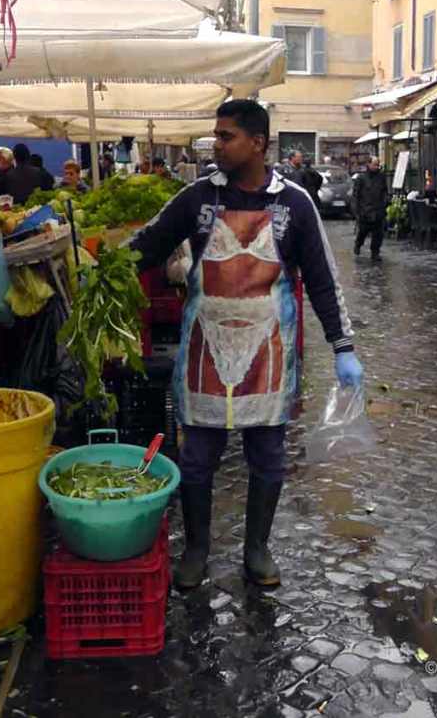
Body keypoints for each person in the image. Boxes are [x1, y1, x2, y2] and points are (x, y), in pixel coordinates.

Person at [130, 100, 363, 590]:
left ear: (257, 143)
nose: (217, 144)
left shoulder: (295, 203)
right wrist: (106, 268)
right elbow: (148, 245)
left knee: (269, 457)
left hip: (268, 353)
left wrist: (342, 345)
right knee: (196, 460)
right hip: (204, 352)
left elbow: (322, 279)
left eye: (226, 136)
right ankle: (196, 550)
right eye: (216, 135)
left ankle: (257, 549)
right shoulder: (195, 199)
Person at [353, 155, 389, 261]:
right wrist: (357, 211)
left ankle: (375, 252)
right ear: (368, 165)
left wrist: (384, 203)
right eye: (374, 165)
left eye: (378, 165)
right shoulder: (361, 178)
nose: (376, 167)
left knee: (378, 234)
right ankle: (358, 244)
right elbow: (356, 195)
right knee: (363, 231)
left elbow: (384, 191)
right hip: (365, 210)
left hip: (378, 210)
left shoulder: (381, 177)